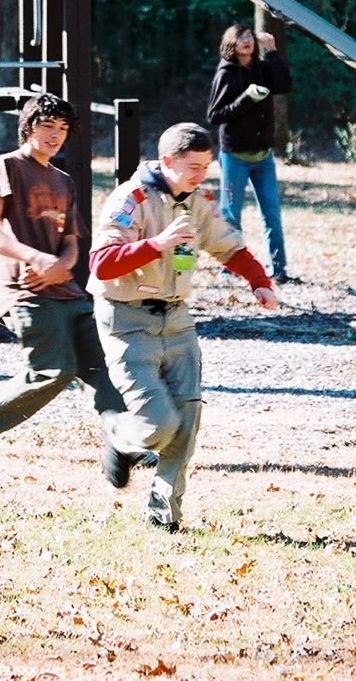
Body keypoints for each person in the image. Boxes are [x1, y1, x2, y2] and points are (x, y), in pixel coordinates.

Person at [88, 123, 279, 533]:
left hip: (176, 318)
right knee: (159, 422)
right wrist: (156, 244)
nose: (201, 175)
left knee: (188, 417)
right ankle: (122, 439)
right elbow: (101, 264)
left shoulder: (197, 201)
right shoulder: (130, 199)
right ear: (168, 161)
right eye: (193, 167)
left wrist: (259, 281)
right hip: (127, 320)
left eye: (206, 166)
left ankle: (165, 509)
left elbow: (229, 246)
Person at [0, 94, 126, 456]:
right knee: (53, 371)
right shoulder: (6, 166)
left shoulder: (64, 180)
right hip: (25, 291)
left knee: (101, 368)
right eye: (48, 126)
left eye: (62, 128)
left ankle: (125, 445)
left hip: (69, 292)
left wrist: (60, 265)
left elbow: (72, 243)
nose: (55, 135)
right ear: (28, 127)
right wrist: (36, 258)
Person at [205, 22, 299, 282]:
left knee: (272, 213)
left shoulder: (261, 68)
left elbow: (284, 85)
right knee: (231, 216)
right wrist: (246, 99)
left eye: (250, 36)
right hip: (235, 156)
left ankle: (278, 270)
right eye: (241, 37)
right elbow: (215, 115)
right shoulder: (226, 73)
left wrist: (272, 52)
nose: (247, 41)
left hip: (263, 156)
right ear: (231, 44)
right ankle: (230, 268)